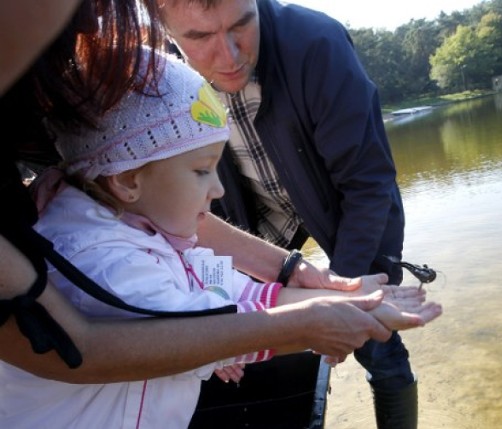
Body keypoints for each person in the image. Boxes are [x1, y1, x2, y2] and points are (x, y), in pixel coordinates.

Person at [0, 48, 440, 428]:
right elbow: (202, 333)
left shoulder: (135, 221)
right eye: (200, 170)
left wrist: (343, 296)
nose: (219, 189)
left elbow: (222, 293)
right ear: (128, 179)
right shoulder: (103, 258)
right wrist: (318, 322)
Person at [157, 1, 417, 427]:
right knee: (247, 336)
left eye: (241, 25)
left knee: (375, 329)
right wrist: (218, 299)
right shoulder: (157, 77)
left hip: (334, 203)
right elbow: (181, 210)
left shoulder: (317, 45)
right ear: (162, 27)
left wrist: (342, 294)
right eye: (199, 38)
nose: (230, 56)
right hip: (242, 215)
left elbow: (368, 183)